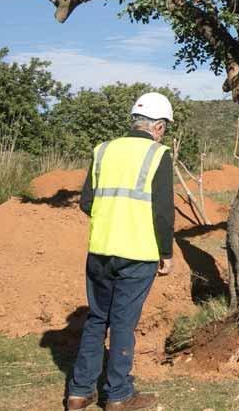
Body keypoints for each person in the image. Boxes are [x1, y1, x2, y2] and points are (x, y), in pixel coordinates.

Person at [65, 93, 176, 411]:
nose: (163, 133)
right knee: (123, 323)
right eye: (164, 127)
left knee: (97, 318)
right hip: (138, 253)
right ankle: (117, 395)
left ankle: (79, 392)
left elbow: (87, 201)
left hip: (100, 249)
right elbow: (162, 213)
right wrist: (165, 252)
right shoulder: (158, 154)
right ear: (157, 126)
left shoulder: (102, 150)